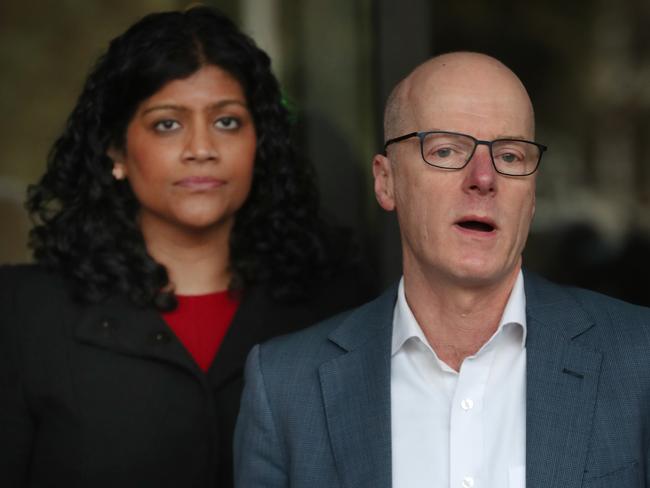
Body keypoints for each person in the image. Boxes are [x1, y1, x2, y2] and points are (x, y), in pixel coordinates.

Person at [234, 52, 650, 487]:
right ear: (386, 181)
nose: (483, 178)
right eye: (446, 150)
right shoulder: (285, 387)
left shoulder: (638, 359)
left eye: (509, 156)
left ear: (532, 191)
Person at [0, 6, 373, 488]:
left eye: (228, 122)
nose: (201, 147)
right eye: (167, 124)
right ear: (115, 151)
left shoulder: (338, 308)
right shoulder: (23, 313)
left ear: (261, 144)